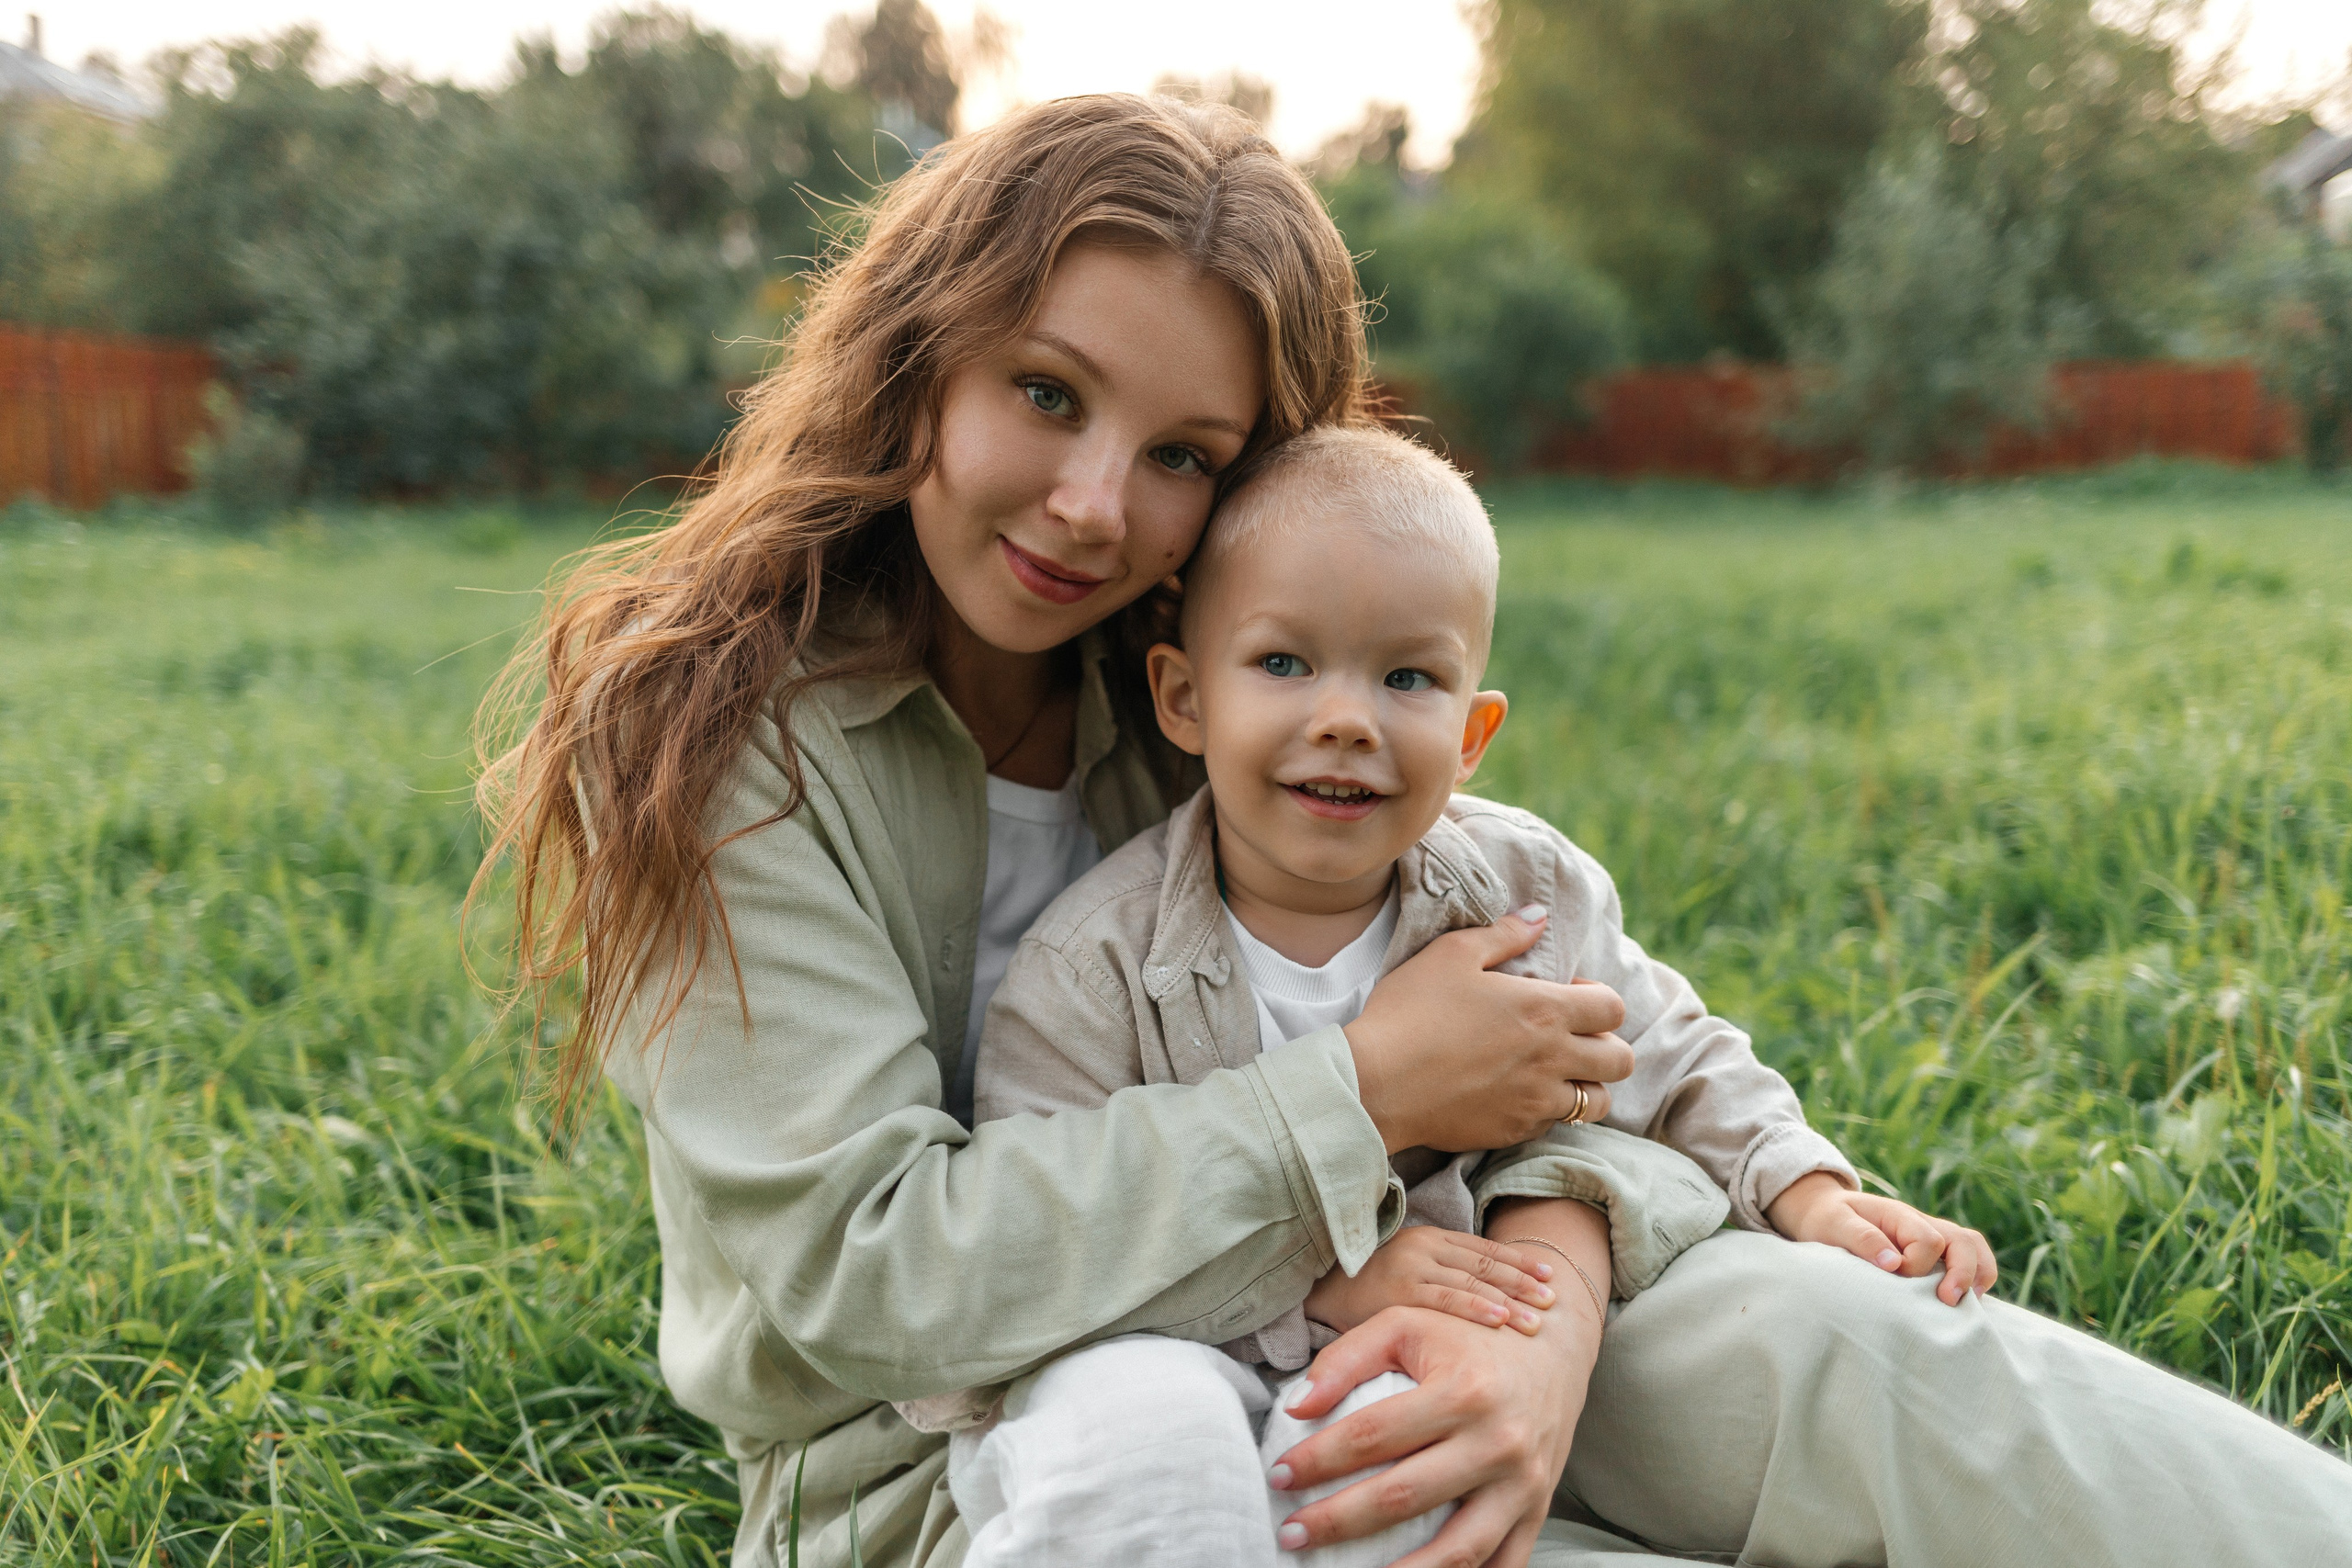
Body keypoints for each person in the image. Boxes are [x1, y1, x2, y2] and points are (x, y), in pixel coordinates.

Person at [474, 93, 2352, 1568]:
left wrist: (1546, 1312)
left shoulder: (1231, 695)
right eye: (1043, 394)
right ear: (918, 364)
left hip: (1391, 1296)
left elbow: (1579, 1050)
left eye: (1185, 455)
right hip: (989, 1463)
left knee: (1843, 1349)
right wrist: (1361, 1098)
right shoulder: (728, 742)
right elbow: (874, 1279)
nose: (1091, 502)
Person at [937, 424, 2004, 1568]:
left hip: (1409, 1342)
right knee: (1149, 1468)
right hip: (1153, 1348)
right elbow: (1044, 1240)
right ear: (1183, 698)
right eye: (1284, 663)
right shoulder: (1091, 963)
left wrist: (1800, 1188)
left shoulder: (1521, 897)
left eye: (1407, 678)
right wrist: (1312, 1278)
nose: (1346, 718)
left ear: (1471, 733)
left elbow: (1671, 1052)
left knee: (1401, 1477)